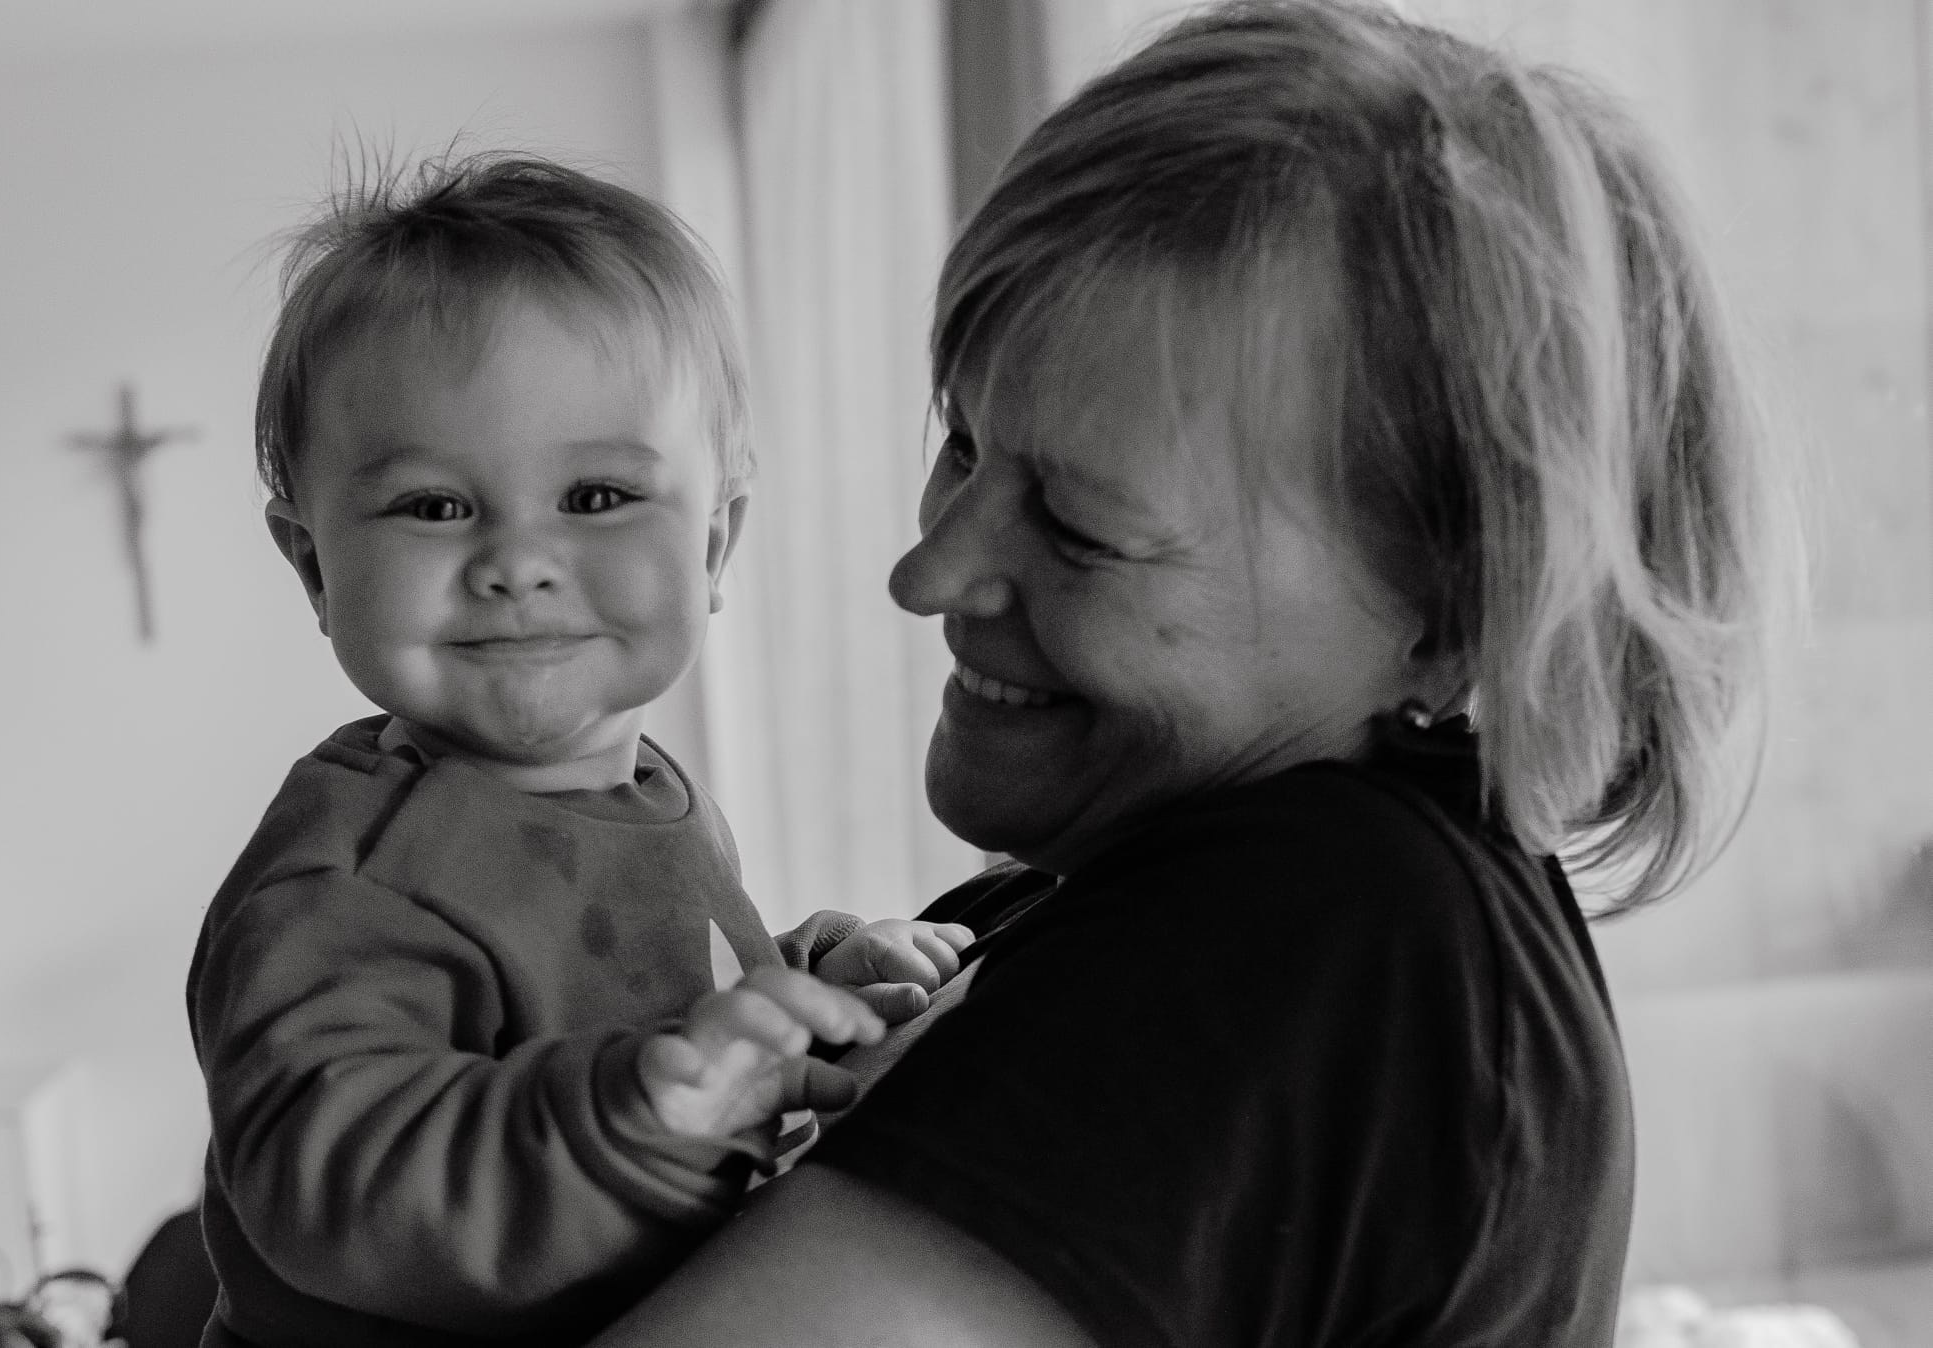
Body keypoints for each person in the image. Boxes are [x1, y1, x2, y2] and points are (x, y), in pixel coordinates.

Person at [588, 2, 1797, 1344]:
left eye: (1086, 529)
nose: (926, 575)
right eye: (965, 444)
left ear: (1462, 608)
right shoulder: (1167, 900)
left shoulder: (1324, 929)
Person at [187, 155, 971, 1348]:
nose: (517, 560)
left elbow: (665, 991)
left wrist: (811, 988)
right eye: (435, 506)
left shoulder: (658, 800)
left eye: (598, 495)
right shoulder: (350, 872)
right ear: (312, 564)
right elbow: (329, 1181)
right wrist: (641, 1112)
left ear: (713, 543)